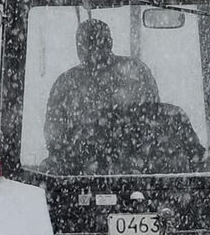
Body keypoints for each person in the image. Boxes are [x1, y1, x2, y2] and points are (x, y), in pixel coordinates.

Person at [43, 18, 161, 152]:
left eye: (86, 44)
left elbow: (54, 137)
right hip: (128, 157)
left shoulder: (66, 83)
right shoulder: (135, 71)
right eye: (85, 44)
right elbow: (153, 120)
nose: (89, 50)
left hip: (91, 159)